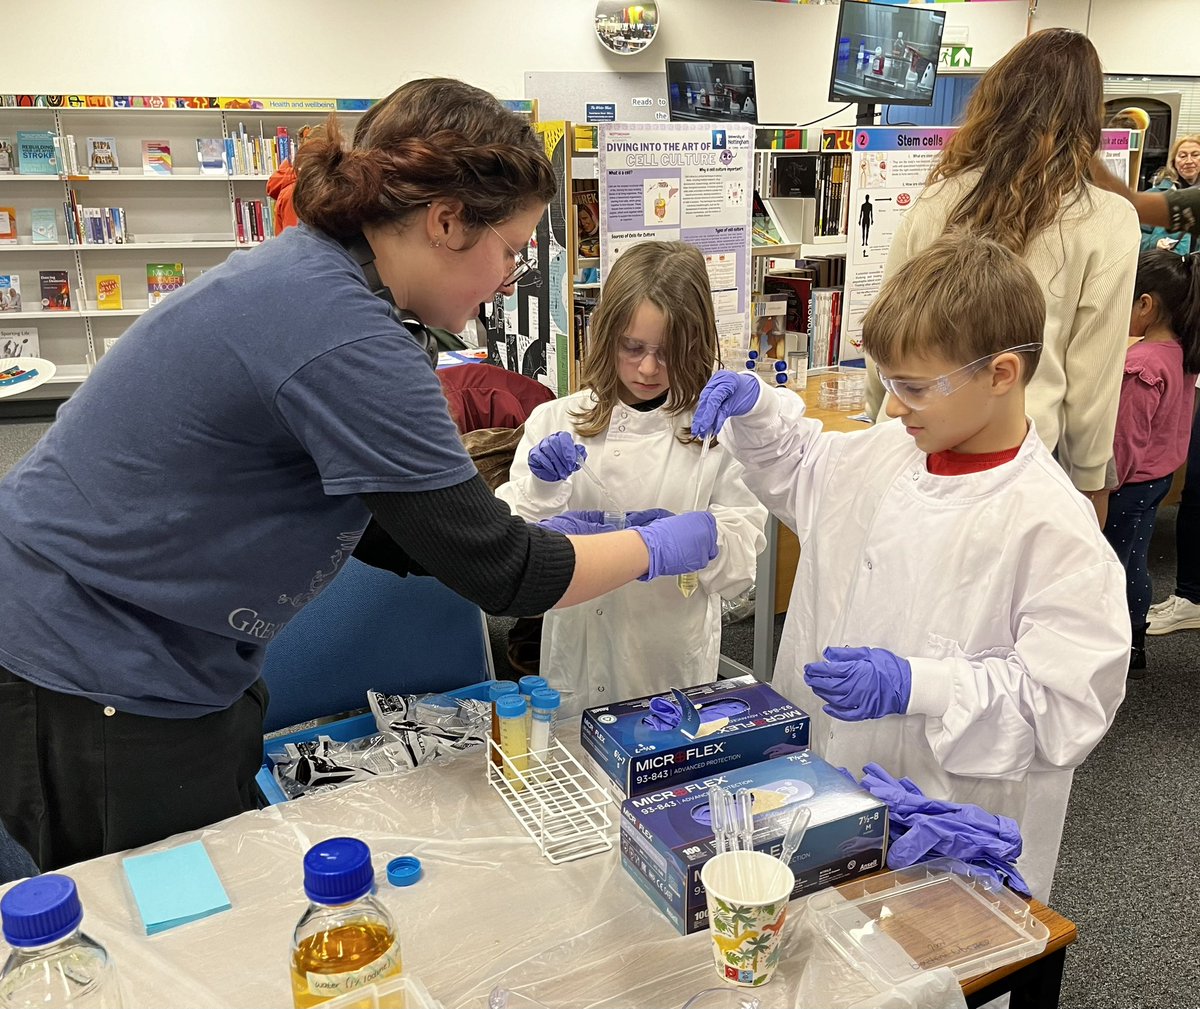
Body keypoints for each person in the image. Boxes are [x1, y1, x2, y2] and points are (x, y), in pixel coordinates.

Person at [0, 79, 719, 872]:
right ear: (446, 222)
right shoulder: (343, 330)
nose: (511, 276)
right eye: (512, 249)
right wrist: (652, 545)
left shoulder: (321, 279)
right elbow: (505, 575)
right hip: (93, 661)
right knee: (161, 916)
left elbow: (382, 517)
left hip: (170, 648)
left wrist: (526, 532)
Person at [691, 234, 1129, 901]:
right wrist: (756, 412)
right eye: (891, 382)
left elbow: (1065, 709)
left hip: (947, 830)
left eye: (915, 387)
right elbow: (804, 469)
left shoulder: (1053, 527)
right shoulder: (888, 453)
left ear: (1001, 374)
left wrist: (918, 686)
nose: (894, 406)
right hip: (824, 793)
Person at [864, 29, 1140, 525]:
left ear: (994, 98)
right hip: (1017, 458)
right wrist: (1090, 479)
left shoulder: (939, 199)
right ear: (1088, 116)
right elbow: (1092, 377)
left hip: (917, 447)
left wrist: (878, 413)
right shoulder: (1108, 219)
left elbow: (885, 333)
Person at [496, 241, 767, 715]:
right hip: (576, 654)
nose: (647, 368)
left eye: (667, 352)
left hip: (668, 656)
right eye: (632, 347)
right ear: (606, 335)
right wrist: (542, 486)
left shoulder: (717, 434)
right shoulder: (555, 420)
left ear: (697, 343)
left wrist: (701, 540)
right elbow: (511, 546)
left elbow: (740, 570)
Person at [1103, 250, 1200, 673]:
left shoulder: (1141, 365)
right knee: (1134, 558)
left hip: (1129, 483)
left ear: (1146, 304)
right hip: (1158, 477)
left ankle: (1119, 647)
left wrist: (1105, 487)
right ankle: (1135, 641)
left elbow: (1125, 440)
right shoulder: (1181, 352)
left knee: (1110, 565)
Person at [1139, 134, 1200, 255]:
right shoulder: (1154, 197)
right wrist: (1154, 243)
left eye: (1195, 155)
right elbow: (1131, 236)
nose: (1188, 161)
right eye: (1182, 156)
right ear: (1173, 162)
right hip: (1167, 269)